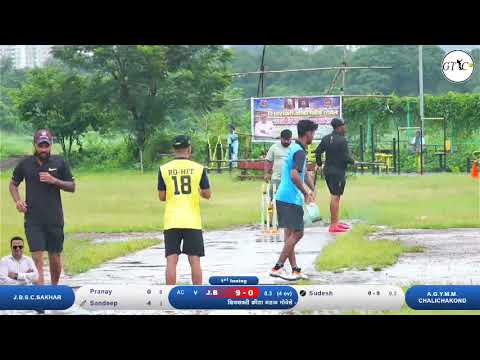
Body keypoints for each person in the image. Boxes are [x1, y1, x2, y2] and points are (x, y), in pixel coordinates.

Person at [9, 129, 75, 285]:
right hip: (33, 219)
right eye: (41, 145)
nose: (44, 149)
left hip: (54, 218)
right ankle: (41, 297)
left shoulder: (59, 162)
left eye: (46, 145)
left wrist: (54, 180)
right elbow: (13, 184)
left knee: (55, 257)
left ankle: (53, 289)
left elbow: (72, 186)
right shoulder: (25, 164)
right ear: (35, 145)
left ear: (51, 145)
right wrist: (18, 201)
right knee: (37, 258)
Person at [158, 135, 211, 285]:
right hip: (192, 221)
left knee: (171, 260)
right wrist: (198, 191)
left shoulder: (164, 169)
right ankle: (198, 295)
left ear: (173, 150)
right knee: (194, 260)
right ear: (189, 149)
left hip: (171, 220)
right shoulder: (199, 169)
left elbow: (162, 196)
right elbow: (207, 194)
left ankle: (169, 295)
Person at [269, 120, 318, 281]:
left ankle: (295, 270)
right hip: (290, 198)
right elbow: (295, 175)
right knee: (298, 233)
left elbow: (303, 173)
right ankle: (278, 266)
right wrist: (305, 192)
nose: (313, 136)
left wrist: (312, 189)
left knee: (289, 235)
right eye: (313, 133)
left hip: (283, 196)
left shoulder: (296, 148)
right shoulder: (299, 152)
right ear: (308, 133)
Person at [315, 118, 354, 233]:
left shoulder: (326, 138)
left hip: (328, 171)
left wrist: (319, 164)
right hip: (338, 172)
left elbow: (318, 152)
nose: (345, 128)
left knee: (335, 196)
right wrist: (353, 162)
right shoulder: (342, 140)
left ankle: (336, 222)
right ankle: (333, 225)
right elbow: (345, 157)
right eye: (344, 126)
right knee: (335, 197)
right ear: (339, 127)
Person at [264, 129, 292, 222]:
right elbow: (268, 161)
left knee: (288, 200)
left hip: (289, 179)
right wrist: (267, 173)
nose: (287, 141)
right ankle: (270, 219)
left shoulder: (294, 147)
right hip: (276, 178)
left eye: (289, 140)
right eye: (285, 140)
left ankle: (286, 219)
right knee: (272, 199)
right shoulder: (274, 147)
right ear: (281, 138)